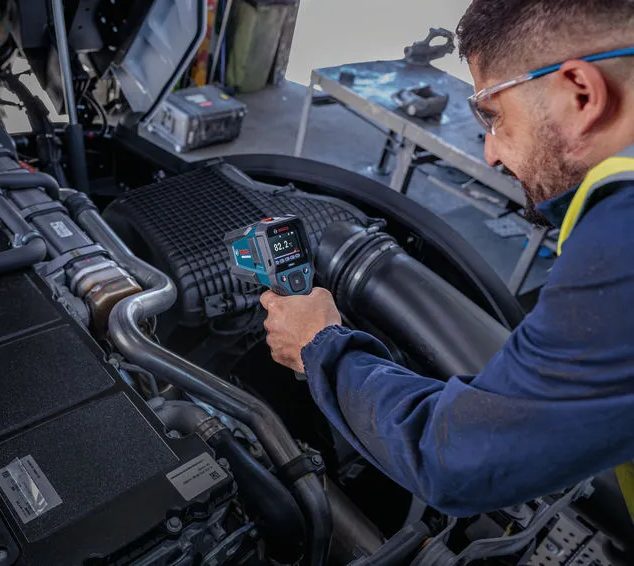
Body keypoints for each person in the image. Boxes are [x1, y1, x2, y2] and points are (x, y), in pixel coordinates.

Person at [260, 0, 634, 518]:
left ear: (581, 93)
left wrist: (318, 347)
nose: (490, 153)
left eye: (494, 115)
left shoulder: (621, 250)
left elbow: (454, 459)